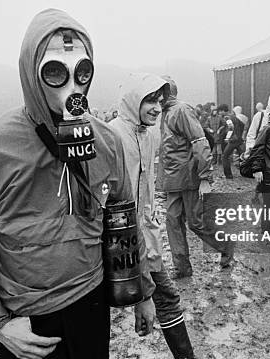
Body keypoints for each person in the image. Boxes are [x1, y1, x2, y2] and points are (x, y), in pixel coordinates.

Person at [0, 9, 156, 359]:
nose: (73, 86)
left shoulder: (106, 142)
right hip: (25, 318)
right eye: (55, 71)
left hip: (91, 303)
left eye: (82, 72)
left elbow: (124, 225)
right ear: (31, 71)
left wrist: (142, 293)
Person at [110, 73, 196, 359]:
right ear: (133, 101)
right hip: (113, 238)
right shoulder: (111, 135)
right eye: (149, 100)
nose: (157, 107)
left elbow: (145, 193)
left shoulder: (149, 135)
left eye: (159, 101)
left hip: (143, 233)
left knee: (167, 295)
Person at [157, 77, 234, 278]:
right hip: (172, 180)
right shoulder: (164, 113)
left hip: (189, 178)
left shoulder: (181, 110)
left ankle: (225, 245)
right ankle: (182, 267)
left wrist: (205, 178)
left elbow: (200, 142)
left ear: (164, 92)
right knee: (172, 221)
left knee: (196, 223)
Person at [222, 111, 245, 179]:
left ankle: (228, 175)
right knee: (243, 157)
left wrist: (227, 138)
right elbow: (242, 125)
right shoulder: (236, 118)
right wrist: (239, 135)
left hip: (233, 141)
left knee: (225, 157)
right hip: (239, 140)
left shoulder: (227, 117)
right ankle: (247, 172)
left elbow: (231, 127)